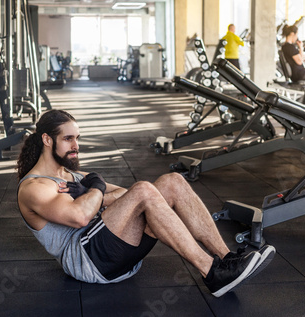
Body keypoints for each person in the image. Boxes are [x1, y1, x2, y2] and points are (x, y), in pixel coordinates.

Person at [16, 109, 275, 297]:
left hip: (114, 250)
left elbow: (126, 195)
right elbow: (81, 217)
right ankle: (212, 273)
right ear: (47, 140)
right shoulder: (34, 187)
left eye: (78, 138)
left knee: (171, 181)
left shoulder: (72, 176)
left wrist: (95, 194)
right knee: (143, 190)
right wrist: (96, 186)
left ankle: (226, 259)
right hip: (88, 261)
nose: (76, 146)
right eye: (68, 139)